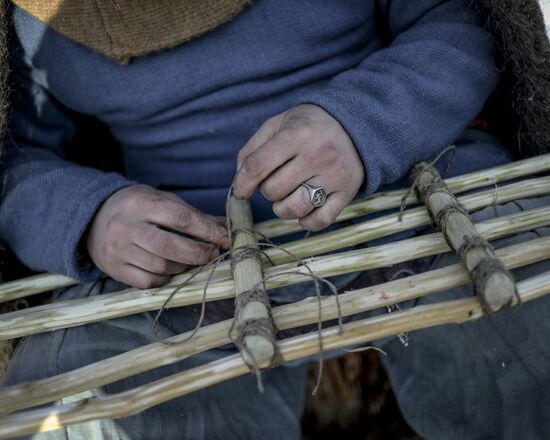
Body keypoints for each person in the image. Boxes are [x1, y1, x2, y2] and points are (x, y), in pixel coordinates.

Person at [1, 1, 550, 439]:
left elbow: (461, 22)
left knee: (529, 305)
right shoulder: (31, 15)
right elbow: (16, 159)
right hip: (185, 279)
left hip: (424, 200)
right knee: (70, 396)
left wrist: (361, 125)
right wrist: (92, 214)